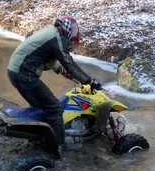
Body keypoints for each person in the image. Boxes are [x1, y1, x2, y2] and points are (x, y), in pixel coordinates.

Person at [7, 16, 101, 156]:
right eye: (72, 40)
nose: (70, 43)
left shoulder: (49, 31)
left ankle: (40, 139)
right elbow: (69, 63)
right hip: (24, 74)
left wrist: (61, 71)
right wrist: (89, 81)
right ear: (70, 31)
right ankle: (56, 150)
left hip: (14, 71)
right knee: (56, 109)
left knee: (41, 109)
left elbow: (45, 56)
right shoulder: (57, 37)